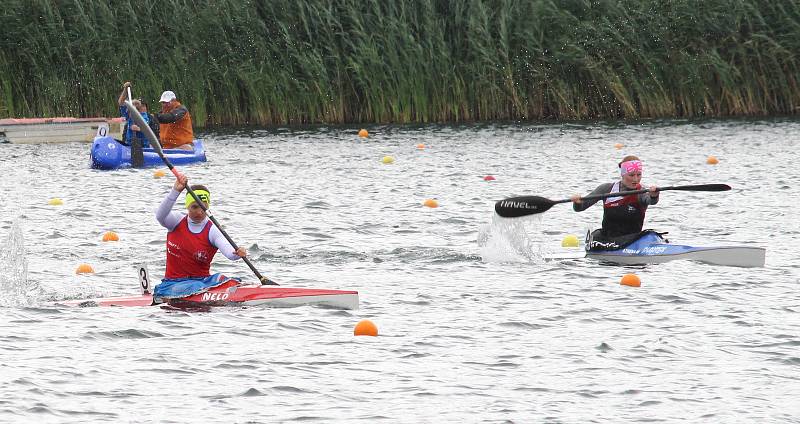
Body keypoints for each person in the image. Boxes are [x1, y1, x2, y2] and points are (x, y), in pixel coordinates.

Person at [155, 172, 246, 280]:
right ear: (187, 206)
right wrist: (175, 191)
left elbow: (230, 253)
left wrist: (238, 253)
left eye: (203, 207)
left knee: (222, 278)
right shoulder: (176, 222)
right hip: (173, 283)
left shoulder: (212, 230)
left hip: (202, 283)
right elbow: (160, 216)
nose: (199, 212)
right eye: (194, 207)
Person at [571, 155, 659, 250]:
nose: (636, 179)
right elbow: (579, 208)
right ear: (622, 174)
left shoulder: (642, 192)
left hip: (632, 240)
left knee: (650, 234)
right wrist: (578, 202)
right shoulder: (606, 189)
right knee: (595, 237)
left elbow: (651, 201)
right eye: (631, 175)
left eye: (639, 175)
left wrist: (654, 195)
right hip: (607, 240)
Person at [117, 82, 152, 148]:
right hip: (130, 145)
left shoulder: (144, 116)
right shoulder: (129, 114)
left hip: (143, 146)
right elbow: (121, 102)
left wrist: (139, 128)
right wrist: (125, 89)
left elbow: (145, 126)